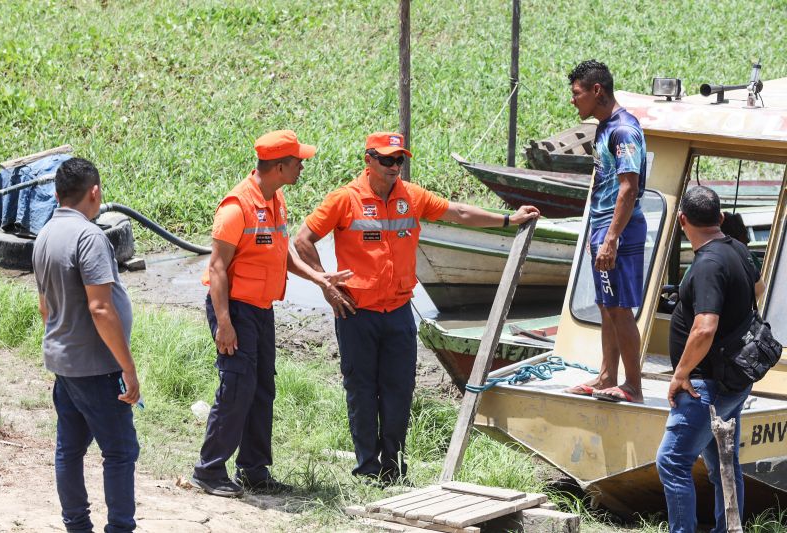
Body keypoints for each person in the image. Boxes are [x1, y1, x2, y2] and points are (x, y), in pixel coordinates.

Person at [294, 131, 539, 484]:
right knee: (362, 389)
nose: (395, 166)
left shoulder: (412, 196)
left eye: (399, 160)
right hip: (356, 314)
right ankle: (367, 469)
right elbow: (302, 240)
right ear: (369, 160)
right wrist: (325, 284)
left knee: (399, 389)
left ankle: (393, 468)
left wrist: (506, 219)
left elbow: (458, 212)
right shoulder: (344, 200)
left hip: (398, 313)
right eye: (387, 159)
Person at [190, 130, 353, 498]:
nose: (303, 166)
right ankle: (209, 470)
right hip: (235, 310)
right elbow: (217, 270)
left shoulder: (275, 199)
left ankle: (253, 470)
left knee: (262, 388)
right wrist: (225, 324)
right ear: (280, 166)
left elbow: (283, 252)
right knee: (237, 387)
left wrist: (318, 277)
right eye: (298, 162)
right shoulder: (236, 208)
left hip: (262, 309)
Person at [32, 157, 141, 533]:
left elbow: (45, 305)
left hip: (65, 364)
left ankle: (76, 526)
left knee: (70, 449)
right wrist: (127, 367)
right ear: (94, 192)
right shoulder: (89, 236)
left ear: (58, 193)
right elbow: (100, 307)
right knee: (121, 451)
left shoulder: (45, 234)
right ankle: (120, 528)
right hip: (96, 367)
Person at [656, 186, 763, 533]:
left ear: (682, 220)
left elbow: (704, 328)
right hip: (733, 379)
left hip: (706, 383)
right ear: (720, 218)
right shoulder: (740, 252)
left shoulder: (708, 264)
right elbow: (758, 290)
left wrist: (680, 374)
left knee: (672, 461)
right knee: (724, 465)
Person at [563, 60, 647, 403]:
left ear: (597, 90)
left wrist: (611, 237)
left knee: (619, 308)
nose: (573, 100)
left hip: (621, 230)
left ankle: (633, 386)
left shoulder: (624, 130)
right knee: (605, 305)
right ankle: (606, 376)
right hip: (603, 226)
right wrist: (595, 234)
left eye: (576, 93)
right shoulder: (602, 128)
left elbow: (628, 188)